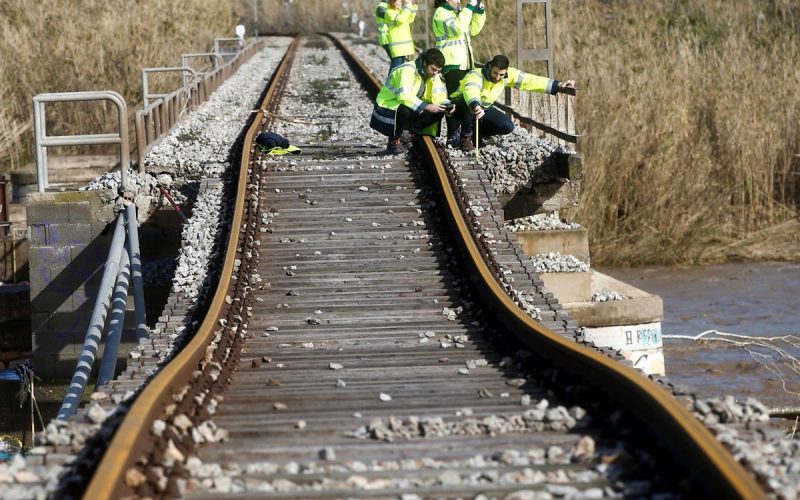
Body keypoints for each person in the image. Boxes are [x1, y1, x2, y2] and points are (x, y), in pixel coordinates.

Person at [450, 54, 576, 150]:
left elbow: (530, 81)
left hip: (482, 109)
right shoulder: (476, 75)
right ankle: (464, 138)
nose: (497, 78)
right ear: (489, 67)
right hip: (461, 107)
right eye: (495, 73)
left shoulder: (507, 76)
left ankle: (476, 134)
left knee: (507, 126)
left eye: (501, 75)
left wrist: (558, 85)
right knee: (468, 105)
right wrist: (475, 105)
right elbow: (471, 91)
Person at [370, 48, 451, 155]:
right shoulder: (407, 70)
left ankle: (408, 133)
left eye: (438, 71)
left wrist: (447, 104)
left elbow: (438, 95)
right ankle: (393, 141)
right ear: (425, 63)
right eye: (433, 69)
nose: (436, 73)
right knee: (404, 108)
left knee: (439, 111)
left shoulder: (433, 75)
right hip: (388, 108)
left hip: (410, 107)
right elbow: (404, 96)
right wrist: (425, 106)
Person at [432, 0, 486, 146]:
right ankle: (453, 135)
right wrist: (469, 8)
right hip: (451, 64)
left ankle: (466, 136)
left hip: (465, 64)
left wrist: (480, 12)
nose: (459, 1)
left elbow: (473, 30)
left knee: (466, 99)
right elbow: (457, 28)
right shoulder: (441, 13)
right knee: (455, 101)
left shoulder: (458, 14)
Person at [384, 0, 418, 75]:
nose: (400, 3)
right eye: (398, 1)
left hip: (402, 46)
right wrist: (408, 6)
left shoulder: (399, 11)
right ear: (392, 2)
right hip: (397, 46)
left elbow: (409, 19)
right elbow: (400, 19)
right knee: (396, 68)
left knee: (398, 69)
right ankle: (389, 85)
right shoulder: (389, 12)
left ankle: (393, 85)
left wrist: (413, 6)